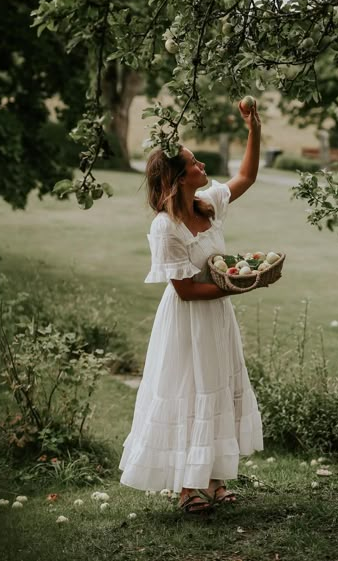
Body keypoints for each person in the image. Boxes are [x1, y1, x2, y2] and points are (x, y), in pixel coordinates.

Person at [119, 101, 264, 514]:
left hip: (216, 316)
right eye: (193, 162)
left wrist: (253, 127)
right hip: (188, 320)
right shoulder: (165, 227)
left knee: (216, 387)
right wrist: (235, 288)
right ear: (179, 179)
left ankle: (214, 480)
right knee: (188, 389)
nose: (202, 164)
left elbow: (247, 176)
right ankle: (187, 488)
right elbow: (184, 291)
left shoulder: (209, 203)